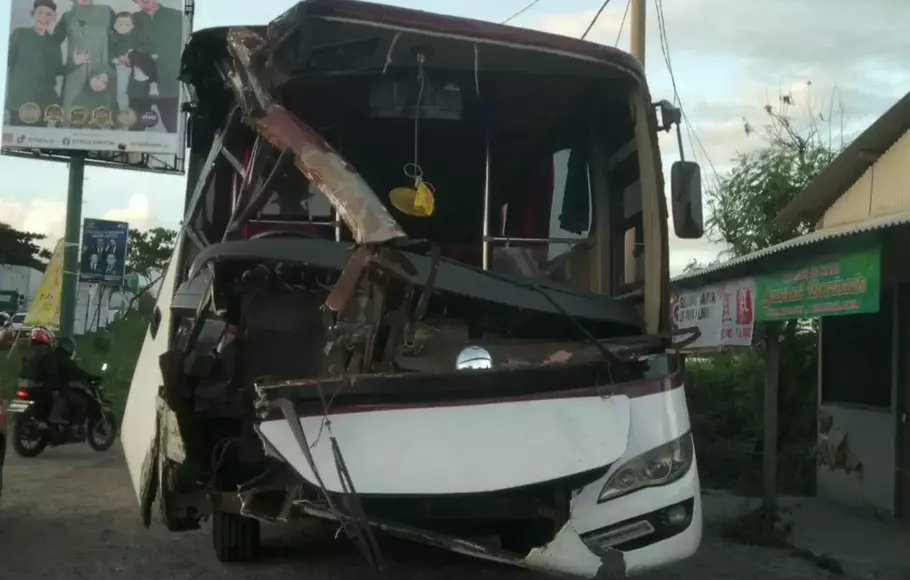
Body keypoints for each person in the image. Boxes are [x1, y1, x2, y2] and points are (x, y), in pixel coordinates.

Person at [52, 0, 116, 119]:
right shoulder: (68, 17)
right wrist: (69, 64)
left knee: (101, 119)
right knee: (72, 118)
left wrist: (115, 64)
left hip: (102, 76)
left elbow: (123, 36)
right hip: (75, 77)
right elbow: (51, 44)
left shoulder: (107, 12)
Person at [5, 0, 64, 127]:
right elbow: (7, 61)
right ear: (32, 14)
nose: (44, 17)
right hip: (19, 103)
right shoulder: (19, 34)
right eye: (40, 13)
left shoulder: (54, 44)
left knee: (37, 140)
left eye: (49, 14)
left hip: (42, 105)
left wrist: (75, 62)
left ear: (54, 18)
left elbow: (57, 72)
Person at [130, 0, 183, 133]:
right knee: (134, 132)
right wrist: (125, 56)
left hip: (170, 85)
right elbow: (120, 43)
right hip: (141, 86)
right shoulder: (132, 19)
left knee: (175, 131)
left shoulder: (177, 16)